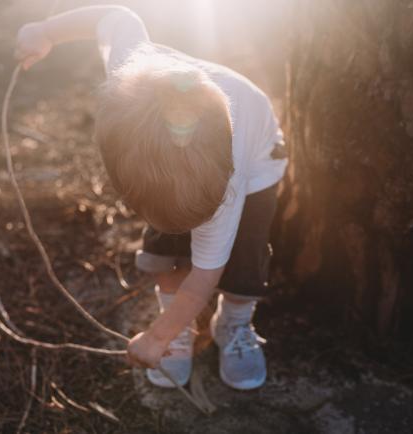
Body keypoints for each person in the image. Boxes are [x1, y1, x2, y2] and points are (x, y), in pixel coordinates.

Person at [15, 5, 287, 390]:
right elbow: (115, 17)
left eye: (195, 217)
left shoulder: (228, 184)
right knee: (167, 247)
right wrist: (46, 31)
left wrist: (155, 337)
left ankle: (234, 323)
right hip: (191, 161)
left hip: (258, 163)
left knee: (244, 256)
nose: (191, 226)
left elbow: (206, 274)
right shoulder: (128, 76)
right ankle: (178, 329)